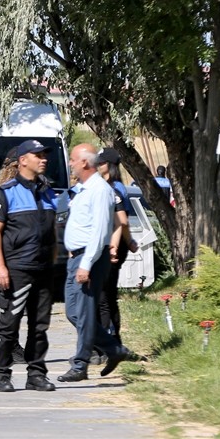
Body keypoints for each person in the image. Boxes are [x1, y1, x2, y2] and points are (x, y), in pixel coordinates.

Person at [0, 141, 58, 393]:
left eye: (44, 155)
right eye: (37, 155)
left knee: (39, 326)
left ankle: (36, 374)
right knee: (10, 325)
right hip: (18, 269)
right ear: (23, 160)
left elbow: (53, 232)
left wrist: (54, 260)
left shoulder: (48, 192)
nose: (43, 159)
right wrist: (1, 267)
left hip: (44, 270)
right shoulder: (6, 192)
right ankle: (2, 374)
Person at [59, 144, 127, 382]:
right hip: (76, 257)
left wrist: (86, 264)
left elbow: (99, 232)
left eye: (73, 160)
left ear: (85, 163)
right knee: (74, 312)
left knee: (86, 313)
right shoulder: (83, 189)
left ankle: (80, 364)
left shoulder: (99, 190)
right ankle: (114, 348)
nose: (70, 164)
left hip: (90, 258)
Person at [94, 148, 139, 362]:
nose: (97, 165)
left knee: (104, 297)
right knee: (108, 296)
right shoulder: (108, 186)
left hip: (114, 246)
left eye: (101, 162)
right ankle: (113, 342)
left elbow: (122, 221)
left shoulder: (115, 188)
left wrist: (124, 242)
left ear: (109, 166)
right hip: (116, 244)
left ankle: (107, 346)